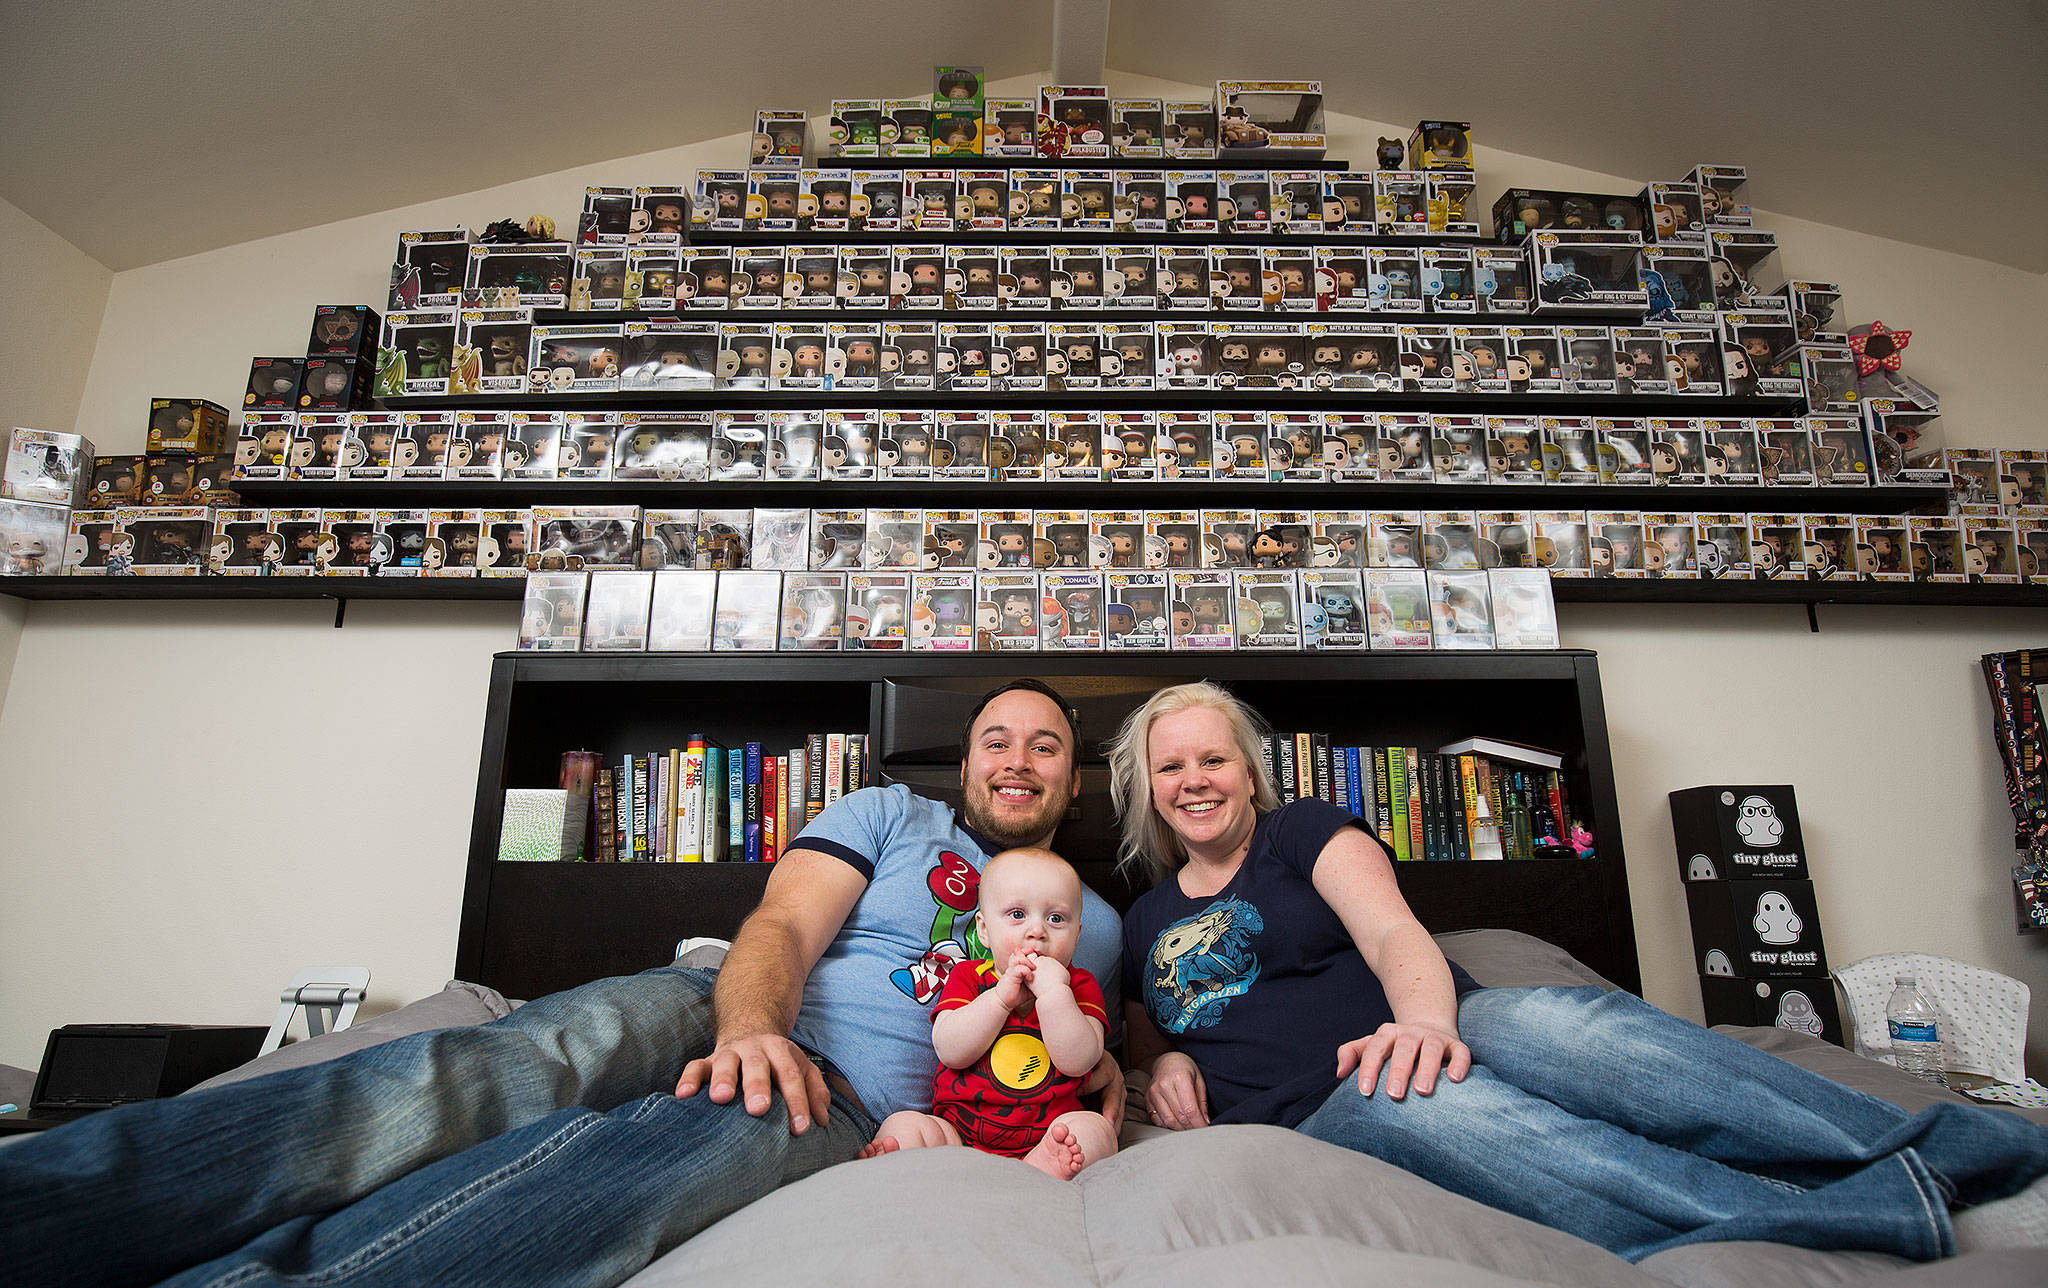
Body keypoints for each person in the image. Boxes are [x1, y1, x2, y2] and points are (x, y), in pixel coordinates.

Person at [1, 680, 1123, 1288]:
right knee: (490, 1068)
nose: (1015, 759)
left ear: (1072, 779)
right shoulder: (885, 813)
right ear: (964, 760)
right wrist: (748, 1023)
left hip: (855, 1109)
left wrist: (1124, 1089)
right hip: (716, 1000)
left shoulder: (1100, 916)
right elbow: (782, 920)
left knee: (596, 1180)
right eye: (994, 739)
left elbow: (1090, 1061)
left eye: (1042, 746)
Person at [1109, 681, 2048, 1264]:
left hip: (1439, 1019)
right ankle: (1860, 1215)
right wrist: (1162, 1063)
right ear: (1146, 788)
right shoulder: (1143, 914)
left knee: (1559, 1026)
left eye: (1213, 758)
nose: (1194, 780)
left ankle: (1932, 1142)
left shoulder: (1301, 829)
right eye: (1171, 766)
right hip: (1324, 1101)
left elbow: (1397, 936)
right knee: (1433, 1109)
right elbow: (1144, 1021)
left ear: (1248, 770)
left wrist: (1430, 1025)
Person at [859, 847, 1117, 1179]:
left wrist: (1055, 994)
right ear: (983, 928)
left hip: (1049, 1134)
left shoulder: (1079, 986)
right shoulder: (968, 977)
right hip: (960, 1134)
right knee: (906, 1124)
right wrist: (999, 999)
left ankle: (1040, 1168)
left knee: (1095, 1131)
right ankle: (900, 1158)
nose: (1036, 931)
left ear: (1077, 935)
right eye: (1017, 915)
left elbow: (1080, 1060)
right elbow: (950, 1050)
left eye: (1056, 919)